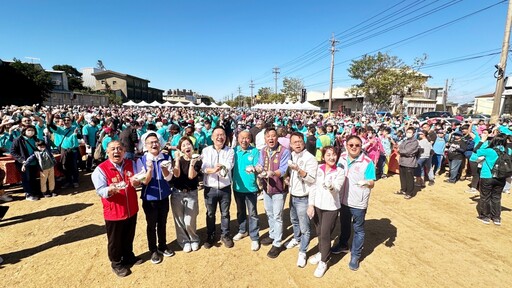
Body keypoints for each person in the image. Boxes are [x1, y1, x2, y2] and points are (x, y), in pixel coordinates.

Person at [91, 141, 142, 277]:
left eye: (119, 149)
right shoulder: (101, 169)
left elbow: (137, 180)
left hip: (131, 208)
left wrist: (137, 182)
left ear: (124, 152)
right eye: (113, 149)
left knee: (129, 235)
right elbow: (100, 190)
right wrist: (110, 189)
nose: (116, 151)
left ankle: (128, 256)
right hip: (114, 211)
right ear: (107, 152)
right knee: (115, 240)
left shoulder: (130, 164)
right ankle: (116, 263)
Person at [332, 135, 376, 271]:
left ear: (361, 146)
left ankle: (356, 255)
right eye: (351, 145)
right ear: (346, 146)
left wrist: (367, 183)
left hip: (358, 202)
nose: (354, 147)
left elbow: (372, 182)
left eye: (357, 145)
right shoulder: (343, 157)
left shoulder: (367, 162)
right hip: (343, 200)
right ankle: (343, 245)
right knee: (344, 224)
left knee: (358, 229)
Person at [135, 133, 174, 264]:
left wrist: (164, 169)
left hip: (163, 196)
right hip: (149, 198)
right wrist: (149, 169)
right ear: (145, 145)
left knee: (162, 223)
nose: (154, 144)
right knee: (151, 225)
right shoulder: (141, 160)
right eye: (150, 142)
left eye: (156, 141)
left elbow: (169, 178)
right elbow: (144, 182)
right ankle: (153, 250)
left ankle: (163, 245)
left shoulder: (166, 157)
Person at [307, 146, 345, 277]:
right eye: (328, 155)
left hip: (331, 207)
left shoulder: (340, 171)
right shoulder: (318, 169)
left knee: (325, 234)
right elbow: (312, 187)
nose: (331, 157)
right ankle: (321, 252)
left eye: (334, 154)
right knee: (318, 232)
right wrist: (311, 204)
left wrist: (331, 186)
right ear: (323, 157)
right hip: (317, 206)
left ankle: (324, 260)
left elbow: (337, 189)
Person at [255, 127, 290, 258]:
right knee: (269, 213)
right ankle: (272, 234)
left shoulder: (284, 151)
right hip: (266, 187)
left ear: (277, 137)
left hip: (279, 189)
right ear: (265, 138)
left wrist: (273, 173)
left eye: (273, 136)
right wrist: (258, 168)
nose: (271, 138)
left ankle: (277, 243)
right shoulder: (263, 151)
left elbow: (284, 168)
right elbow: (260, 163)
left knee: (277, 215)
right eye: (268, 136)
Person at [285, 132, 317, 267]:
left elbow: (312, 179)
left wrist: (298, 170)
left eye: (300, 141)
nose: (297, 144)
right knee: (294, 221)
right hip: (292, 195)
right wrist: (287, 178)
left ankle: (303, 252)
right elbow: (288, 173)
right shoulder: (291, 155)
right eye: (294, 142)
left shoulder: (310, 158)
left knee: (305, 228)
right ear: (291, 145)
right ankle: (297, 239)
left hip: (304, 198)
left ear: (303, 142)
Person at [201, 127, 235, 249]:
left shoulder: (230, 151)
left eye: (222, 135)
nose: (220, 137)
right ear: (212, 137)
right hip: (210, 187)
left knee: (225, 213)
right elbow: (203, 167)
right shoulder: (206, 151)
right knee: (210, 213)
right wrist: (213, 170)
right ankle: (210, 235)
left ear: (226, 137)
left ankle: (225, 234)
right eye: (217, 135)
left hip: (225, 187)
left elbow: (229, 165)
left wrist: (218, 169)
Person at [170, 137, 202, 252]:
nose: (186, 147)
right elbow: (177, 174)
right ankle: (183, 241)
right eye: (183, 145)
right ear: (180, 149)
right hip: (177, 192)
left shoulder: (197, 160)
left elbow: (191, 176)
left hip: (191, 193)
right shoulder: (177, 160)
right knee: (179, 219)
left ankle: (194, 239)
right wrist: (177, 160)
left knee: (189, 220)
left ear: (192, 147)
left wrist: (192, 163)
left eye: (188, 144)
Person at [232, 130, 261, 251]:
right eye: (242, 138)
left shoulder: (254, 151)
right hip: (237, 187)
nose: (244, 140)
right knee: (240, 211)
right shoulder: (233, 151)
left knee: (253, 213)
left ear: (251, 139)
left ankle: (254, 237)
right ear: (238, 139)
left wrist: (254, 168)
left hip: (251, 188)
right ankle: (243, 230)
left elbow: (258, 167)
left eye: (247, 138)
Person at [475, 132, 510, 225]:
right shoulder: (508, 151)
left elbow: (476, 150)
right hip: (501, 177)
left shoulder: (489, 151)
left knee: (485, 197)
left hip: (487, 176)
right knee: (496, 197)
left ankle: (485, 217)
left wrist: (482, 140)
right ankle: (496, 218)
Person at [48, 115, 80, 188]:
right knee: (64, 166)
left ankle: (75, 181)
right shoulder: (60, 130)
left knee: (74, 166)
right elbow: (50, 124)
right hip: (64, 150)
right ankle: (68, 181)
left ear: (71, 122)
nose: (66, 121)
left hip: (73, 150)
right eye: (64, 120)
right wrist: (52, 115)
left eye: (68, 120)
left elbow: (78, 135)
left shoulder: (75, 128)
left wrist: (76, 133)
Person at [10, 125, 40, 200]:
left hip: (34, 162)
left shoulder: (35, 139)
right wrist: (21, 160)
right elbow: (13, 152)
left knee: (33, 178)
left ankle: (33, 192)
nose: (31, 132)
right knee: (26, 179)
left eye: (32, 130)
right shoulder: (18, 139)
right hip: (23, 163)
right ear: (24, 131)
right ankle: (28, 194)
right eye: (29, 130)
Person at [396, 127, 419, 199]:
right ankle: (403, 189)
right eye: (407, 132)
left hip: (409, 162)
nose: (408, 134)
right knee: (402, 177)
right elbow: (400, 148)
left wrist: (401, 150)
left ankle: (409, 192)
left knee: (409, 178)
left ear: (413, 133)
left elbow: (407, 151)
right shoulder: (405, 140)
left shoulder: (415, 142)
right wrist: (401, 150)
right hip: (402, 161)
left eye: (410, 132)